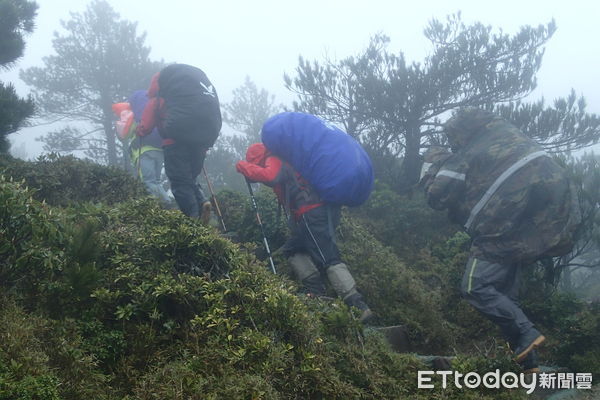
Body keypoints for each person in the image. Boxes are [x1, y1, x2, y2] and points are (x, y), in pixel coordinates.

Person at [420, 107, 581, 373]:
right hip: (528, 224)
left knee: (475, 286)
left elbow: (436, 197)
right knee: (506, 295)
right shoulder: (501, 136)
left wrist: (429, 173)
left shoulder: (458, 159)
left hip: (500, 226)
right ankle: (529, 363)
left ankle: (527, 334)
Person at [236, 142, 374, 323]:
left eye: (255, 163)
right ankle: (316, 292)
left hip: (311, 212)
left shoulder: (274, 159)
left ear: (258, 158)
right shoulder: (284, 159)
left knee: (327, 257)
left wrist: (244, 166)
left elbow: (270, 176)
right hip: (312, 213)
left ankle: (357, 305)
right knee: (292, 249)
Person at [137, 64, 222, 223]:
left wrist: (139, 130)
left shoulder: (158, 100)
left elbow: (146, 126)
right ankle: (203, 201)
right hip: (201, 144)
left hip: (175, 143)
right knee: (189, 179)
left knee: (179, 182)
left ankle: (192, 220)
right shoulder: (190, 97)